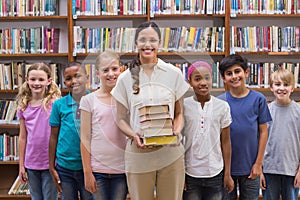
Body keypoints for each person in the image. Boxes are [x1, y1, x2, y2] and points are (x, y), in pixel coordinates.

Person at [111, 21, 190, 200]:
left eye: (153, 40)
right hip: (139, 151)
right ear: (136, 43)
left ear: (160, 43)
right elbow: (120, 119)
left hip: (170, 150)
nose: (148, 45)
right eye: (143, 40)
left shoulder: (173, 73)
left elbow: (179, 113)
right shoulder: (124, 78)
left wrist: (176, 131)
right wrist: (133, 135)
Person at [218, 54, 272, 199]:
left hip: (251, 168)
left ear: (246, 72)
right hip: (226, 170)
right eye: (229, 74)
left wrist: (258, 164)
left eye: (237, 71)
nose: (234, 76)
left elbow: (263, 132)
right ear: (223, 78)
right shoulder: (219, 102)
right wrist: (224, 171)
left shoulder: (258, 99)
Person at [182, 61, 234, 200]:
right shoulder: (184, 105)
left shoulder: (222, 107)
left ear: (212, 79)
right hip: (190, 173)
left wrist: (227, 174)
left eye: (207, 78)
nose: (203, 83)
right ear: (190, 81)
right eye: (197, 79)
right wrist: (180, 174)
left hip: (215, 173)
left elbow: (226, 142)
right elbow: (178, 141)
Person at [80, 51, 128, 200]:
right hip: (97, 170)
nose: (110, 74)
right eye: (105, 70)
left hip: (122, 170)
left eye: (114, 69)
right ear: (97, 73)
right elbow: (85, 138)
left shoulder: (128, 99)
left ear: (121, 70)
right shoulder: (88, 100)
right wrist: (87, 172)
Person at [49, 62, 93, 200]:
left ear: (87, 77)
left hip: (89, 167)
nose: (73, 81)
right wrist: (51, 166)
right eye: (68, 78)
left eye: (78, 76)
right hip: (65, 167)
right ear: (64, 82)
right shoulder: (59, 105)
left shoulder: (95, 101)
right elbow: (53, 136)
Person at [16, 63, 61, 200]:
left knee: (49, 197)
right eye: (33, 79)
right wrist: (21, 165)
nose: (36, 83)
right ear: (27, 80)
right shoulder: (23, 106)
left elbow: (59, 134)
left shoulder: (55, 105)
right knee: (36, 197)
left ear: (49, 81)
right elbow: (23, 137)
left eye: (41, 80)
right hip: (31, 163)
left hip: (51, 163)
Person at [260, 69, 300, 200]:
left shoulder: (298, 111)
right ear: (271, 87)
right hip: (269, 170)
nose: (281, 88)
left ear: (292, 88)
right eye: (277, 84)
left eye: (286, 84)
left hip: (292, 170)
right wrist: (259, 170)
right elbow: (258, 142)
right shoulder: (266, 111)